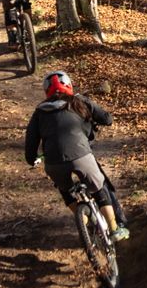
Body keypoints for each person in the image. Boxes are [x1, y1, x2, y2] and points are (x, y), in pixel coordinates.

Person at [24, 70, 129, 242]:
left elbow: (30, 143)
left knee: (66, 192)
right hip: (81, 155)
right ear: (69, 85)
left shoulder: (39, 112)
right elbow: (107, 119)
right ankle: (114, 229)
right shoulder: (79, 101)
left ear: (46, 91)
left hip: (53, 163)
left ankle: (85, 222)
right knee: (100, 188)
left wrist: (31, 158)